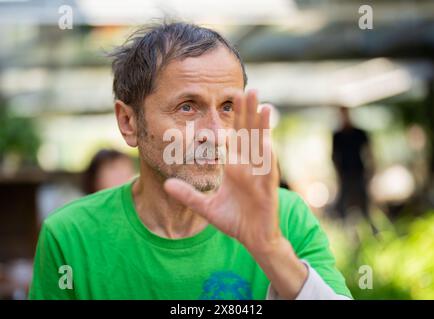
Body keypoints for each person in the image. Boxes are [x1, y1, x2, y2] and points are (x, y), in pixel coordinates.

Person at [29, 22, 352, 300]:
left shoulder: (284, 218)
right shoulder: (70, 235)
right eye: (187, 107)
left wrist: (269, 248)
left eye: (228, 107)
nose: (214, 134)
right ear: (129, 122)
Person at [332, 107, 376, 233]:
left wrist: (372, 169)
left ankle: (373, 231)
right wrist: (338, 173)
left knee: (365, 204)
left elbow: (369, 152)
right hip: (345, 174)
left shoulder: (359, 133)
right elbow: (334, 157)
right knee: (344, 205)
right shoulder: (338, 136)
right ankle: (345, 231)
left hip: (359, 172)